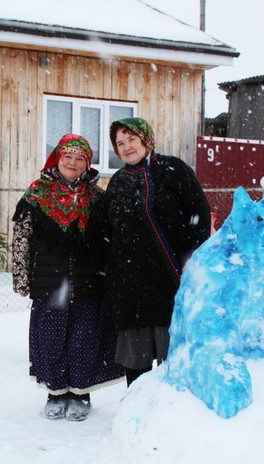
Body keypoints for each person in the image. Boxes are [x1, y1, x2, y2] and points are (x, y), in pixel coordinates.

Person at [12, 134, 123, 422]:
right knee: (51, 340)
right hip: (50, 282)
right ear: (57, 159)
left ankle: (81, 393)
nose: (72, 163)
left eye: (79, 158)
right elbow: (22, 239)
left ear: (87, 164)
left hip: (90, 283)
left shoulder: (98, 198)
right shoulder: (37, 195)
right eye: (67, 157)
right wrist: (21, 277)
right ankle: (56, 392)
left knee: (84, 340)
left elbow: (110, 242)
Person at [94, 117, 211, 386]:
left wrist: (194, 253)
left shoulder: (172, 169)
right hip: (130, 283)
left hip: (170, 277)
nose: (126, 147)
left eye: (131, 139)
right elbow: (105, 231)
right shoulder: (118, 182)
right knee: (136, 356)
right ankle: (137, 408)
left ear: (146, 139)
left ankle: (172, 409)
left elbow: (198, 210)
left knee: (172, 350)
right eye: (120, 143)